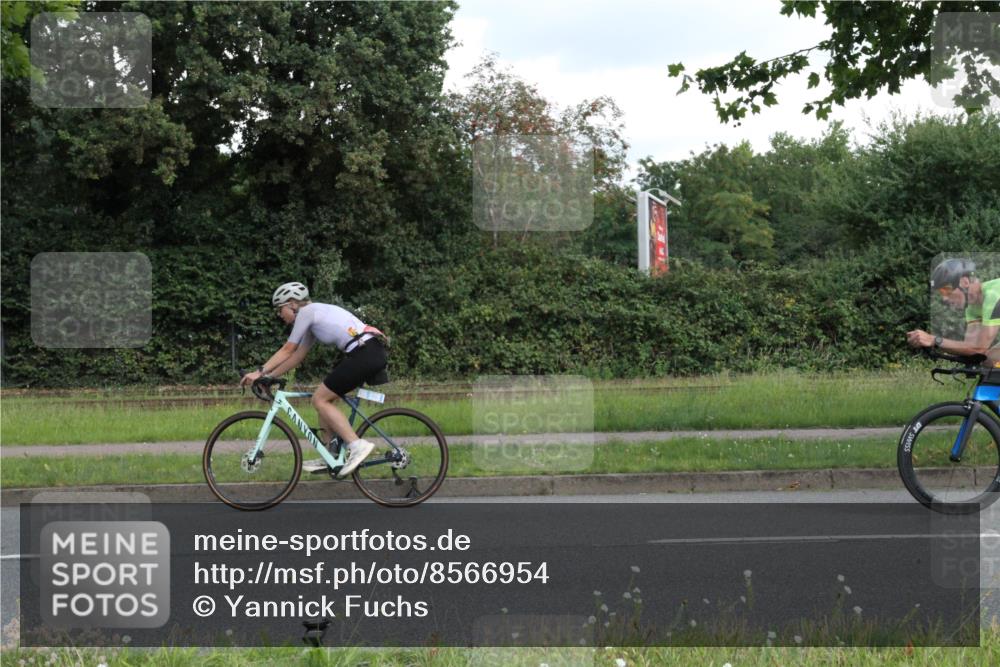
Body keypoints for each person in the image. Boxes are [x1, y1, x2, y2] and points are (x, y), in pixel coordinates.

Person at [240, 282, 388, 476]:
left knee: (320, 399)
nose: (279, 314)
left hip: (365, 352)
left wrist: (259, 372)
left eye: (280, 309)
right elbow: (297, 357)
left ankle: (357, 445)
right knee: (324, 399)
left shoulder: (308, 312)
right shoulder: (312, 318)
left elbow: (287, 349)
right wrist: (269, 376)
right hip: (365, 352)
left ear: (292, 304)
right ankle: (330, 455)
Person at [906, 258, 1000, 365]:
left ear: (964, 282)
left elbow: (978, 349)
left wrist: (934, 340)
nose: (945, 298)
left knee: (991, 361)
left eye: (947, 290)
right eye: (941, 292)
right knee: (989, 361)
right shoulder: (972, 307)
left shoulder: (994, 295)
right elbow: (970, 348)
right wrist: (931, 342)